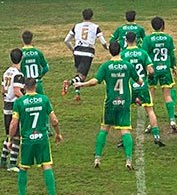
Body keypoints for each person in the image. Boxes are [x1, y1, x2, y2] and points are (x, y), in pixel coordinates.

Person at [73, 41, 140, 171]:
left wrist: (81, 84)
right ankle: (128, 160)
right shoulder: (128, 65)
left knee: (104, 129)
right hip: (124, 102)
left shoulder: (106, 66)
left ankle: (97, 158)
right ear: (120, 50)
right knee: (125, 130)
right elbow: (139, 81)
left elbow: (94, 81)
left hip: (110, 102)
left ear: (110, 51)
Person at [7, 74, 63, 195]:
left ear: (24, 88)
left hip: (27, 140)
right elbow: (54, 120)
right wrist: (58, 134)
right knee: (47, 166)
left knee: (23, 168)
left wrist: (10, 139)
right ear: (36, 86)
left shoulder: (19, 102)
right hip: (42, 139)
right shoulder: (44, 99)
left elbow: (14, 124)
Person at [120, 31, 166, 147]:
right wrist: (149, 78)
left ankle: (124, 138)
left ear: (126, 40)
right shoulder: (143, 53)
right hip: (142, 85)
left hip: (129, 86)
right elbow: (151, 71)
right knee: (150, 110)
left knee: (125, 111)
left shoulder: (123, 54)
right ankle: (156, 136)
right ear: (136, 39)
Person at [141, 16, 177, 132]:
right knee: (167, 95)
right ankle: (172, 120)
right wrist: (173, 66)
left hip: (153, 70)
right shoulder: (168, 38)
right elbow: (171, 55)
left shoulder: (147, 39)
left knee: (151, 96)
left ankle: (150, 123)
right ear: (162, 26)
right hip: (165, 69)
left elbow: (144, 56)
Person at [60, 9, 105, 100]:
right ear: (92, 17)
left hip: (77, 51)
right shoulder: (95, 27)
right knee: (82, 77)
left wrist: (73, 50)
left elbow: (66, 40)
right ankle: (68, 83)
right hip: (87, 52)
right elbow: (103, 41)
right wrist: (107, 47)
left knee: (79, 74)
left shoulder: (76, 26)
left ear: (82, 16)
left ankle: (77, 95)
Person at [0, 49, 25, 171]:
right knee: (17, 136)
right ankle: (13, 164)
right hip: (15, 106)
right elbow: (16, 91)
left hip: (6, 105)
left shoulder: (6, 72)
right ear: (22, 58)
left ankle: (2, 161)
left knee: (9, 134)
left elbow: (3, 90)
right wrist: (26, 99)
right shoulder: (18, 75)